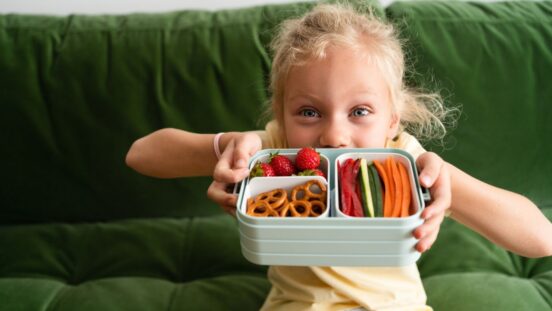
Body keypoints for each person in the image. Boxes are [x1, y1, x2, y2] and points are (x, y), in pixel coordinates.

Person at [126, 4, 552, 310]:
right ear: (281, 116)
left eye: (360, 112)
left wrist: (449, 185)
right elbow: (141, 155)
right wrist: (224, 145)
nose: (334, 135)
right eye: (309, 112)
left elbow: (540, 239)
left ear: (392, 120)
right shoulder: (272, 149)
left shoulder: (405, 158)